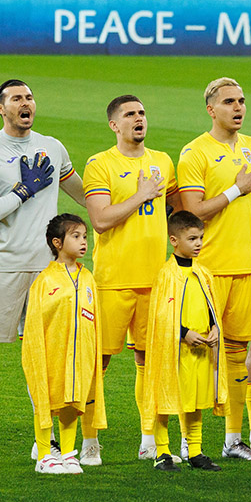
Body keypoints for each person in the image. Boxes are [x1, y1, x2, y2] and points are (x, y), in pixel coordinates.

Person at [0, 80, 84, 466]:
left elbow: (84, 196)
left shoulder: (53, 147)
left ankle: (45, 440)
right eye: (16, 98)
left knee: (47, 356)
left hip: (49, 269)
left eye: (29, 97)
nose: (26, 103)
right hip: (3, 264)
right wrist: (22, 191)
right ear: (1, 108)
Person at [83, 95, 185, 464]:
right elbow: (100, 220)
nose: (139, 119)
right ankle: (90, 440)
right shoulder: (100, 165)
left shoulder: (162, 162)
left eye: (142, 112)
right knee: (99, 363)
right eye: (130, 114)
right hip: (113, 279)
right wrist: (141, 195)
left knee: (151, 361)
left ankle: (149, 438)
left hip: (156, 279)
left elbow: (176, 209)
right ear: (114, 125)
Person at [177, 78, 251, 459]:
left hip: (246, 265)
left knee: (236, 353)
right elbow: (191, 211)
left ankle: (233, 440)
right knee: (196, 354)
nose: (239, 107)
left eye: (242, 101)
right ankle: (187, 441)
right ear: (212, 109)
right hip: (206, 271)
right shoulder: (195, 152)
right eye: (229, 102)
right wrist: (236, 190)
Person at [22, 213, 107, 474]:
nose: (83, 242)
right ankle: (45, 455)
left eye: (85, 237)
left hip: (80, 353)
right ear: (57, 243)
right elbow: (34, 324)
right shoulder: (44, 280)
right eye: (76, 236)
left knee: (73, 402)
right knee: (46, 401)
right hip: (51, 353)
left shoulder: (88, 277)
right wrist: (37, 356)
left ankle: (68, 452)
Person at [143, 210, 225, 472]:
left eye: (200, 237)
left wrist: (214, 329)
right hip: (174, 350)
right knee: (166, 397)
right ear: (174, 241)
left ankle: (195, 450)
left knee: (196, 398)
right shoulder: (166, 274)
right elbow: (160, 315)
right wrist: (183, 332)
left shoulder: (203, 273)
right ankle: (163, 452)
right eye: (192, 238)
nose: (199, 243)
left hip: (200, 349)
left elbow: (212, 307)